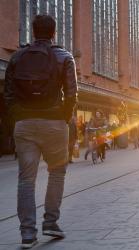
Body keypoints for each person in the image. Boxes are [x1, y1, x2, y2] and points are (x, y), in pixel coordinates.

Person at [4, 15, 77, 248]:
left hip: (25, 123)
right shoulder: (64, 56)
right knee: (57, 173)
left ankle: (27, 234)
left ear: (33, 31)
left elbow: (8, 94)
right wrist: (63, 118)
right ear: (54, 32)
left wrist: (19, 116)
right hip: (55, 122)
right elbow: (72, 94)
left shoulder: (17, 57)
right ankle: (50, 223)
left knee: (26, 180)